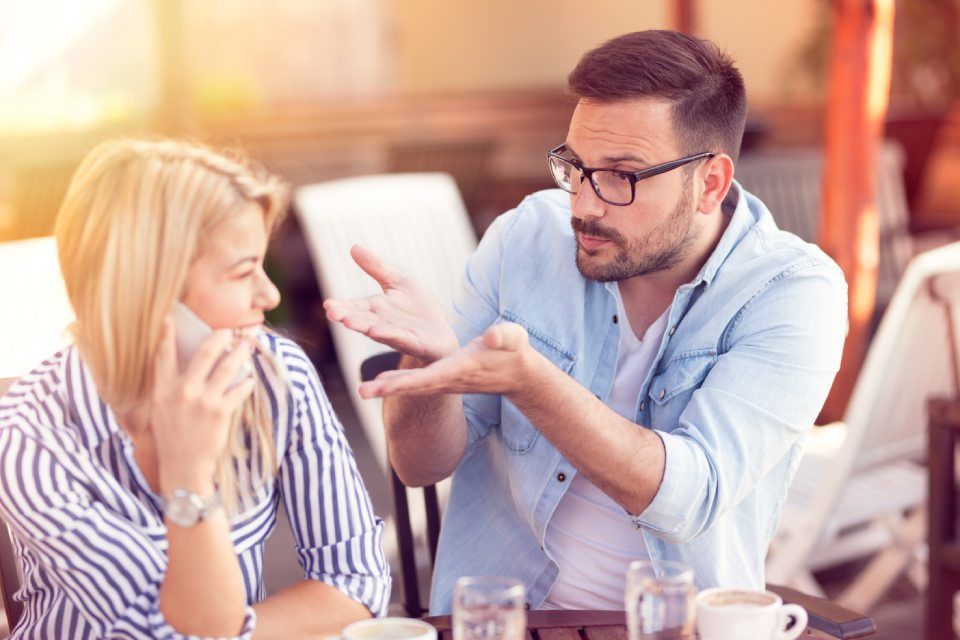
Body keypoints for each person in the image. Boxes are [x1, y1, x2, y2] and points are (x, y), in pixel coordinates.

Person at [325, 30, 847, 614]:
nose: (584, 205)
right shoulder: (527, 236)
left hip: (674, 627)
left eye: (621, 176)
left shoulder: (790, 292)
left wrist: (530, 380)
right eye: (575, 167)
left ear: (710, 184)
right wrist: (430, 360)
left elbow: (687, 500)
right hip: (504, 620)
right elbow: (420, 465)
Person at [0, 139, 390, 638]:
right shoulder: (28, 437)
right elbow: (163, 632)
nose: (268, 296)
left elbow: (357, 584)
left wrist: (229, 632)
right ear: (152, 295)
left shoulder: (276, 375)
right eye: (243, 271)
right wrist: (188, 477)